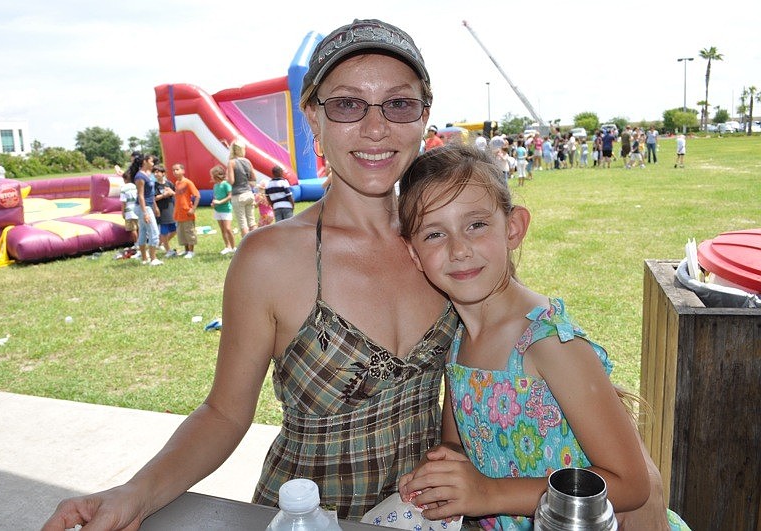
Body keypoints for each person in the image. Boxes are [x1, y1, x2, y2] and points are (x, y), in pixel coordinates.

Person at [42, 19, 668, 531]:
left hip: (423, 520)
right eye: (347, 105)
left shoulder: (441, 245)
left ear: (424, 116)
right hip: (305, 518)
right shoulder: (269, 260)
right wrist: (135, 495)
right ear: (311, 118)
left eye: (398, 103)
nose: (375, 127)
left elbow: (515, 377)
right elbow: (223, 414)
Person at [396, 144, 690, 531]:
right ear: (414, 254)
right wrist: (441, 471)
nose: (459, 249)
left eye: (476, 225)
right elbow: (456, 444)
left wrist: (488, 493)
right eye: (434, 234)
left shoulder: (549, 345)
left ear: (513, 227)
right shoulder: (458, 341)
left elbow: (631, 485)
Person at [134, 155, 163, 266]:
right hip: (143, 207)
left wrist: (155, 206)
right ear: (145, 161)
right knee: (154, 232)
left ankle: (144, 259)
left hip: (148, 206)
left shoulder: (148, 175)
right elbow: (140, 195)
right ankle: (153, 259)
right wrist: (145, 212)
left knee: (143, 232)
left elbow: (150, 194)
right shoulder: (140, 176)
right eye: (151, 161)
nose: (153, 163)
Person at [227, 140, 257, 236]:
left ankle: (247, 247)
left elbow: (231, 181)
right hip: (248, 193)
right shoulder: (247, 161)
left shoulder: (231, 162)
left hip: (238, 195)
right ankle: (256, 243)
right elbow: (254, 178)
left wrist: (226, 179)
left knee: (243, 223)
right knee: (252, 221)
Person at [171, 163, 200, 259]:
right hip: (179, 213)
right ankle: (186, 250)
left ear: (183, 171)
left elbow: (197, 195)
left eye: (177, 169)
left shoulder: (188, 182)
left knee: (189, 232)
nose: (175, 172)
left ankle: (191, 251)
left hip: (187, 212)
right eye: (173, 170)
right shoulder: (176, 183)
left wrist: (193, 208)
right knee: (182, 232)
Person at [210, 165, 236, 255]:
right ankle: (227, 246)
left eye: (212, 175)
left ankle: (234, 247)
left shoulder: (226, 184)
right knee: (223, 230)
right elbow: (215, 196)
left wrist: (220, 202)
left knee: (228, 229)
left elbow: (230, 196)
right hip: (218, 210)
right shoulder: (215, 185)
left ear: (217, 175)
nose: (211, 177)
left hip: (226, 209)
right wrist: (213, 203)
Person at [153, 164, 177, 258]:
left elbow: (175, 194)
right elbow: (153, 198)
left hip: (170, 209)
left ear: (163, 173)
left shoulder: (169, 183)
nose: (155, 174)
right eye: (154, 172)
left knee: (174, 230)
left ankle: (161, 243)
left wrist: (172, 193)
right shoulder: (154, 185)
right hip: (161, 211)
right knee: (164, 231)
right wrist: (164, 195)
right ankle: (168, 250)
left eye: (157, 172)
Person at [118, 169, 139, 259]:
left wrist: (123, 212)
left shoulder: (124, 188)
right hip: (137, 209)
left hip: (129, 211)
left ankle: (137, 244)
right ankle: (141, 242)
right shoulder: (135, 186)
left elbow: (123, 202)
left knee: (132, 228)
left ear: (124, 179)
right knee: (138, 227)